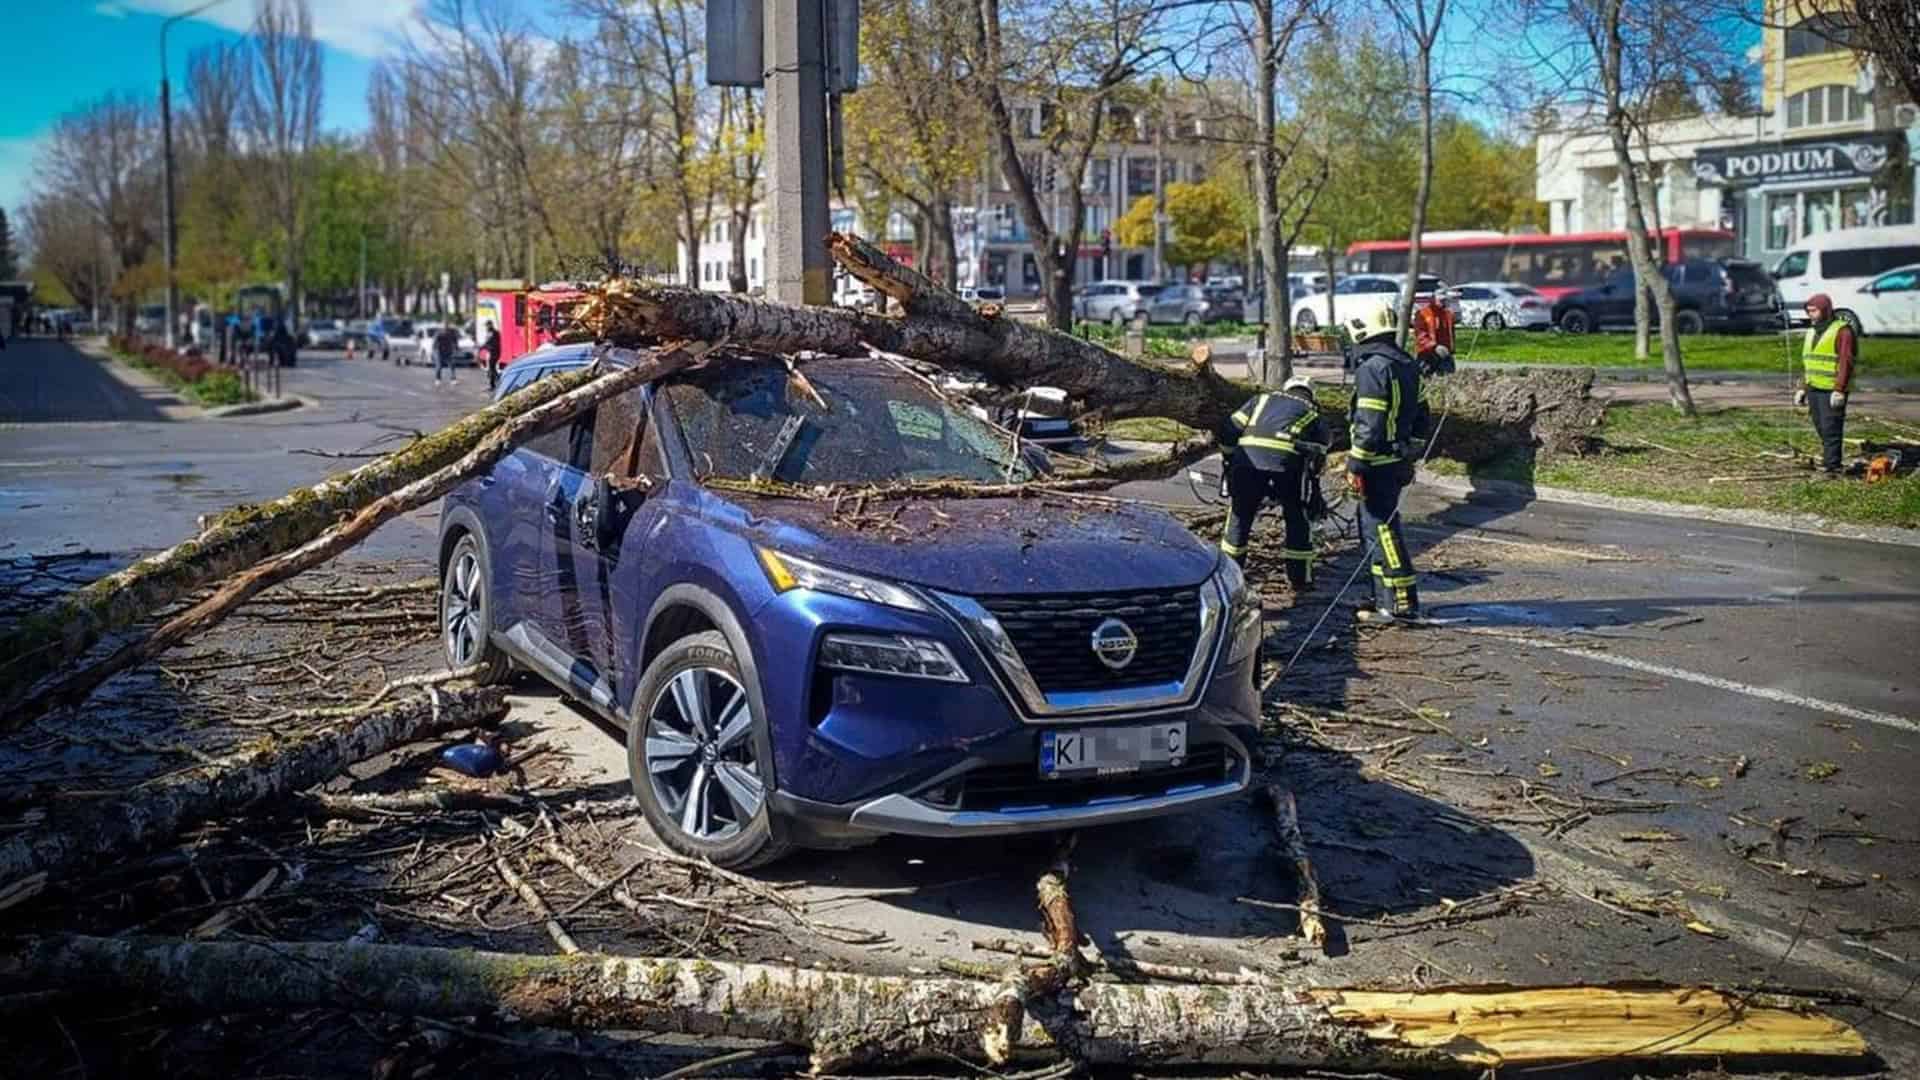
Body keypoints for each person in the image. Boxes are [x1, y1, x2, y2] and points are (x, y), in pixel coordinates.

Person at [1344, 301, 1453, 625]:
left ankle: (1402, 603)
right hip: (1394, 459)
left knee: (1383, 531)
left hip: (1376, 462)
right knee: (1372, 529)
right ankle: (1382, 597)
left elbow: (1370, 421)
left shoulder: (1373, 368)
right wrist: (1411, 450)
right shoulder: (1405, 363)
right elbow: (1422, 413)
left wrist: (1356, 463)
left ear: (1361, 328)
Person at [1215, 374, 1329, 592]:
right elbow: (1322, 449)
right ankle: (1300, 580)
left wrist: (1229, 459)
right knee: (1297, 517)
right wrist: (1313, 485)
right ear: (1310, 394)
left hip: (1247, 464)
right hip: (1287, 469)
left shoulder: (1261, 399)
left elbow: (1229, 428)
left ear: (1286, 388)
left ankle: (1230, 577)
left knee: (1240, 516)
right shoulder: (1313, 411)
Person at [1795, 293, 1855, 477]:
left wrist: (1839, 390)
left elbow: (1846, 361)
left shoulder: (1842, 331)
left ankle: (1832, 467)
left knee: (1831, 428)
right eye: (1809, 311)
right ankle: (1830, 461)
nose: (1810, 315)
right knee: (1821, 426)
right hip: (1814, 387)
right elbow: (1809, 362)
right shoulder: (1812, 331)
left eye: (1814, 311)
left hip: (1831, 389)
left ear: (1826, 310)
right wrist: (1802, 388)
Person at [1410, 290, 1456, 368]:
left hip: (1445, 354)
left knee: (1449, 375)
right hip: (1426, 354)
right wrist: (1434, 346)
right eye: (1440, 300)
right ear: (1433, 298)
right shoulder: (1422, 314)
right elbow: (1420, 335)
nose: (1442, 302)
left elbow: (1451, 334)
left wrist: (1451, 349)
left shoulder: (1449, 315)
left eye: (1444, 300)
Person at [482, 320, 503, 391]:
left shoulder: (493, 332)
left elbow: (489, 342)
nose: (486, 327)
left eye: (487, 325)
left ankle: (493, 385)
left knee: (491, 369)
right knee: (492, 369)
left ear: (490, 325)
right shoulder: (492, 332)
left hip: (494, 353)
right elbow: (487, 342)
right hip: (493, 352)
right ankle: (499, 381)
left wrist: (482, 347)